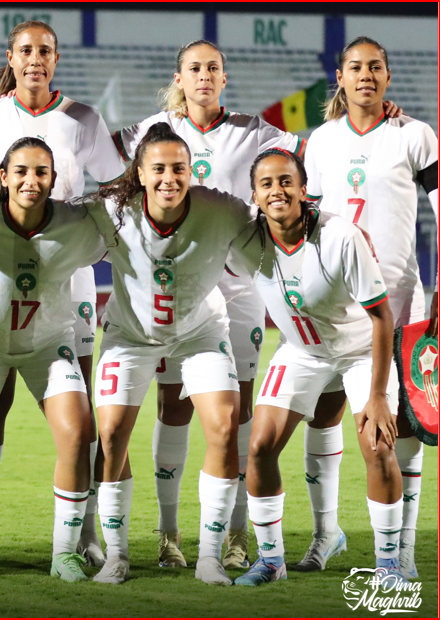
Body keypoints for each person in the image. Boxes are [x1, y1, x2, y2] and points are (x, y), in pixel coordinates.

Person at [0, 20, 124, 564]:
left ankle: (83, 534)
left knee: (77, 413)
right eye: (26, 50)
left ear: (56, 59)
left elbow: (116, 192)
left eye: (45, 51)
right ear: (10, 57)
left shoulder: (83, 118)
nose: (36, 59)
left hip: (68, 277)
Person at [112, 40, 303, 570]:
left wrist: (374, 115)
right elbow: (91, 153)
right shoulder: (153, 130)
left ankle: (237, 534)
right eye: (194, 68)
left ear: (224, 77)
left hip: (237, 291)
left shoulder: (255, 131)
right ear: (179, 77)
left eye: (212, 68)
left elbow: (313, 158)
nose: (203, 76)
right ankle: (169, 533)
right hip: (173, 289)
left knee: (236, 411)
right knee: (173, 405)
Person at [228, 148, 405, 586]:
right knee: (259, 447)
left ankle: (389, 566)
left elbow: (382, 317)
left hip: (360, 351)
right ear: (254, 196)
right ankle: (271, 561)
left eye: (286, 181)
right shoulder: (244, 240)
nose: (277, 190)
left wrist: (378, 396)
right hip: (302, 351)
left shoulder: (341, 236)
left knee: (378, 446)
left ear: (304, 189)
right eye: (266, 184)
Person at [87, 122, 252, 585]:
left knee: (224, 425)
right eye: (158, 168)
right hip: (130, 334)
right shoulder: (110, 211)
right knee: (111, 434)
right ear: (139, 174)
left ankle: (209, 558)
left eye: (179, 168)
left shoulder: (221, 208)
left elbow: (278, 223)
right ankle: (117, 556)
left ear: (191, 171)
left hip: (200, 331)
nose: (169, 178)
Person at [0, 138, 107, 582]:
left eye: (41, 172)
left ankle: (65, 554)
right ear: (3, 177)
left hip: (49, 345)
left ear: (53, 179)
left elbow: (129, 244)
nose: (31, 180)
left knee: (78, 432)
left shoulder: (78, 224)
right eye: (22, 171)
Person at [303, 37, 437, 579]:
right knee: (323, 413)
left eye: (375, 66)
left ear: (388, 75)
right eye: (355, 67)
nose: (365, 75)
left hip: (399, 303)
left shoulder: (415, 135)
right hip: (333, 305)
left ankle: (401, 552)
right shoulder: (320, 141)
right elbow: (307, 220)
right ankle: (325, 535)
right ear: (339, 76)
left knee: (401, 425)